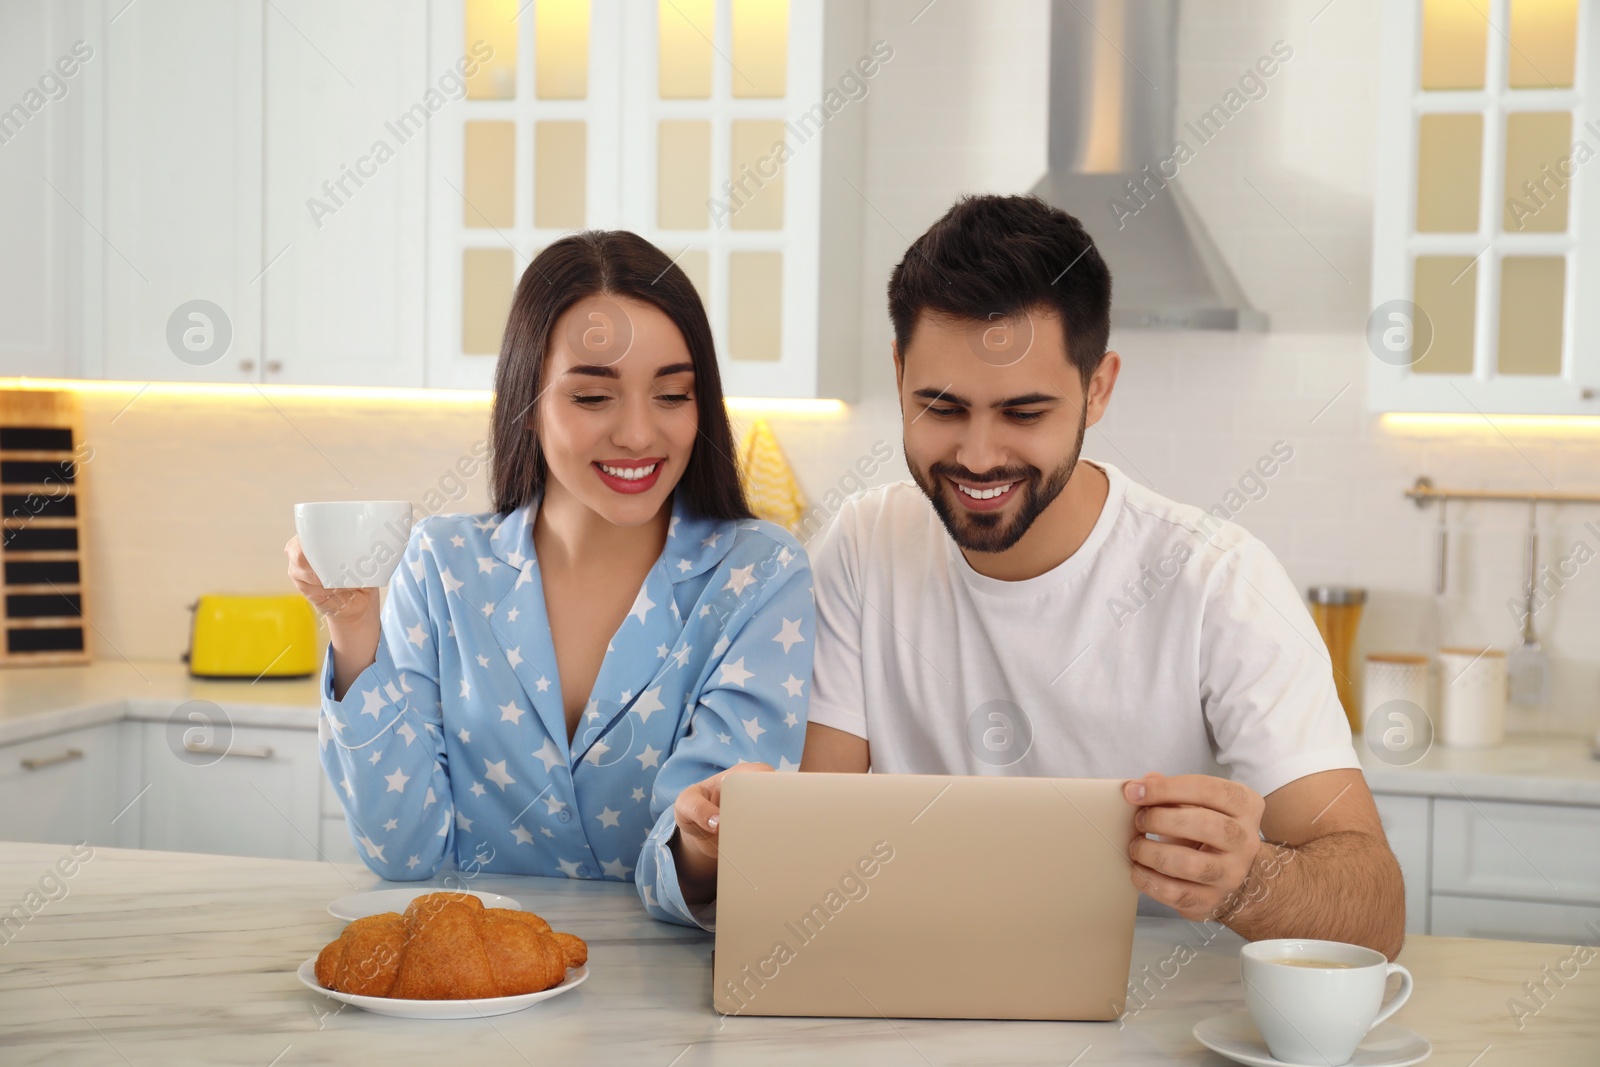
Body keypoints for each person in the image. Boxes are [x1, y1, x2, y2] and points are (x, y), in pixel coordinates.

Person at [799, 194, 1405, 959]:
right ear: (897, 373)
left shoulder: (1219, 581)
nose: (979, 455)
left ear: (1099, 386)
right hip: (914, 995)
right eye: (942, 407)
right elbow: (810, 842)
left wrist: (1251, 881)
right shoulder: (861, 547)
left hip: (1157, 1025)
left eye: (1024, 413)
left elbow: (1378, 911)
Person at [285, 231, 813, 929]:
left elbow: (701, 853)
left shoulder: (759, 575)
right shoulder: (441, 564)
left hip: (666, 999)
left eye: (673, 394)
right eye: (593, 396)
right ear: (526, 397)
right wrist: (353, 627)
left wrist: (703, 840)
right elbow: (405, 851)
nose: (637, 433)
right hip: (471, 990)